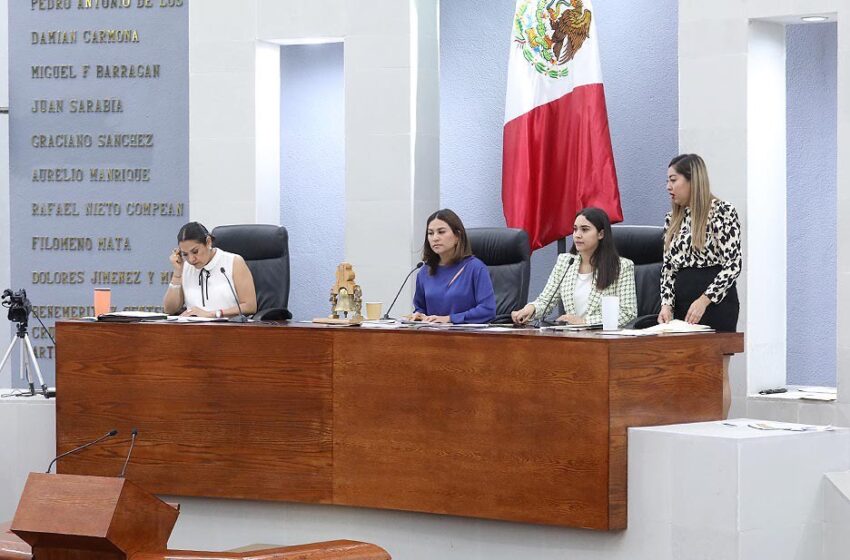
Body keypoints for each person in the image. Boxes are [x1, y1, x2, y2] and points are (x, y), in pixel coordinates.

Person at [657, 153, 741, 417]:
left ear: (692, 179)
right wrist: (666, 303)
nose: (668, 187)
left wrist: (705, 299)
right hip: (682, 300)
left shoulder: (723, 211)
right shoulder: (673, 219)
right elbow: (668, 267)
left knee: (715, 373)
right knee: (684, 372)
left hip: (715, 302)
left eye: (674, 180)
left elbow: (733, 264)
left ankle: (719, 427)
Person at [512, 207, 636, 327]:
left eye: (585, 229)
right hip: (572, 339)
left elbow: (628, 313)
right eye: (575, 229)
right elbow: (545, 300)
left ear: (601, 234)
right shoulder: (565, 262)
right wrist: (531, 308)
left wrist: (584, 321)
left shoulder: (622, 267)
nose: (577, 235)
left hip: (604, 340)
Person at [411, 209, 496, 324]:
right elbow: (420, 308)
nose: (435, 238)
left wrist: (450, 319)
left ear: (457, 236)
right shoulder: (424, 271)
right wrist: (418, 315)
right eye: (430, 233)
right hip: (432, 336)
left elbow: (487, 310)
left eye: (441, 232)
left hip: (467, 338)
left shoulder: (475, 268)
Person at [162, 222, 258, 318]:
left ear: (208, 242)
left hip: (230, 328)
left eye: (195, 252)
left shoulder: (234, 262)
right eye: (185, 254)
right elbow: (169, 309)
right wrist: (177, 274)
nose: (191, 259)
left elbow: (250, 306)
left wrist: (213, 314)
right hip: (194, 330)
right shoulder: (185, 267)